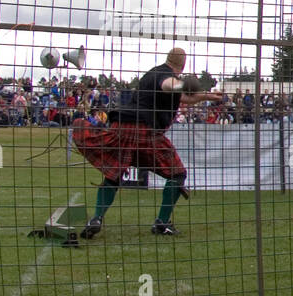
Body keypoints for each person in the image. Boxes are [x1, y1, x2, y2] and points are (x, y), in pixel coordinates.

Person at [72, 47, 223, 237]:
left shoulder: (151, 73)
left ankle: (96, 218)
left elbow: (183, 97)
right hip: (143, 129)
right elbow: (169, 85)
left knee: (114, 174)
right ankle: (162, 223)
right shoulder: (166, 75)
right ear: (183, 64)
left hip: (122, 127)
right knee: (177, 174)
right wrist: (183, 83)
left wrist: (207, 96)